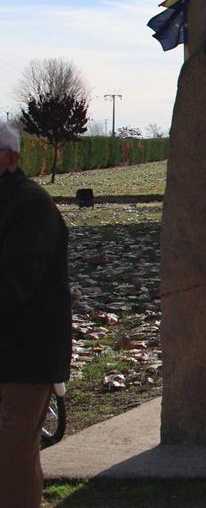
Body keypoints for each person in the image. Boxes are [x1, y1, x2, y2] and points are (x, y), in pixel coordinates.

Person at [0, 124, 71, 508]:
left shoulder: (31, 205)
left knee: (12, 453)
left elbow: (14, 282)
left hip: (25, 354)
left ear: (10, 158)